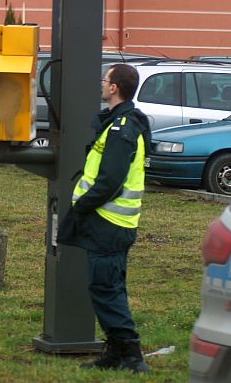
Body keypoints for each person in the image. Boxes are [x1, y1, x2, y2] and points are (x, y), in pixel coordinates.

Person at [57, 63, 152, 373]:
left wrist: (83, 205)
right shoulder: (119, 123)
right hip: (110, 224)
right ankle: (115, 353)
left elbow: (110, 180)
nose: (101, 83)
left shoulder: (123, 127)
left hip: (109, 224)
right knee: (108, 288)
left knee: (106, 290)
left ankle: (131, 355)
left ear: (114, 88)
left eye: (105, 79)